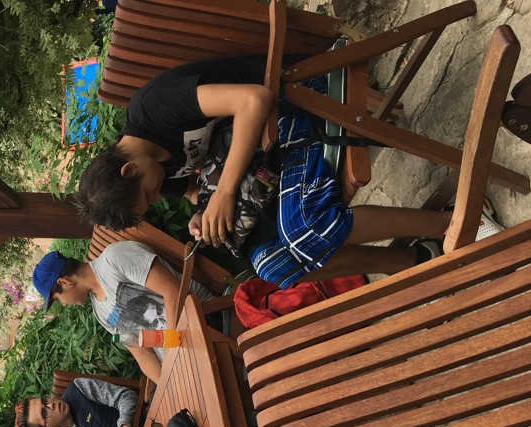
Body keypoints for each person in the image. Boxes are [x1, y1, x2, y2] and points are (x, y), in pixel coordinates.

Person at [72, 57, 459, 289]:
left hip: (292, 104)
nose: (158, 197)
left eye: (149, 194)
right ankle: (412, 258)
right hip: (262, 166)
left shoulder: (153, 110)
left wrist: (224, 193)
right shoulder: (152, 171)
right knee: (272, 265)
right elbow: (193, 190)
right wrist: (202, 215)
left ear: (129, 169)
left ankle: (449, 223)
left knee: (306, 226)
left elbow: (253, 99)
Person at [31, 242, 212, 381]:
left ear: (64, 282)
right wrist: (167, 385)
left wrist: (174, 355)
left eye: (57, 299)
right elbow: (141, 352)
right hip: (181, 361)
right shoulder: (101, 314)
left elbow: (172, 291)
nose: (63, 304)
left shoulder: (114, 259)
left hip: (201, 320)